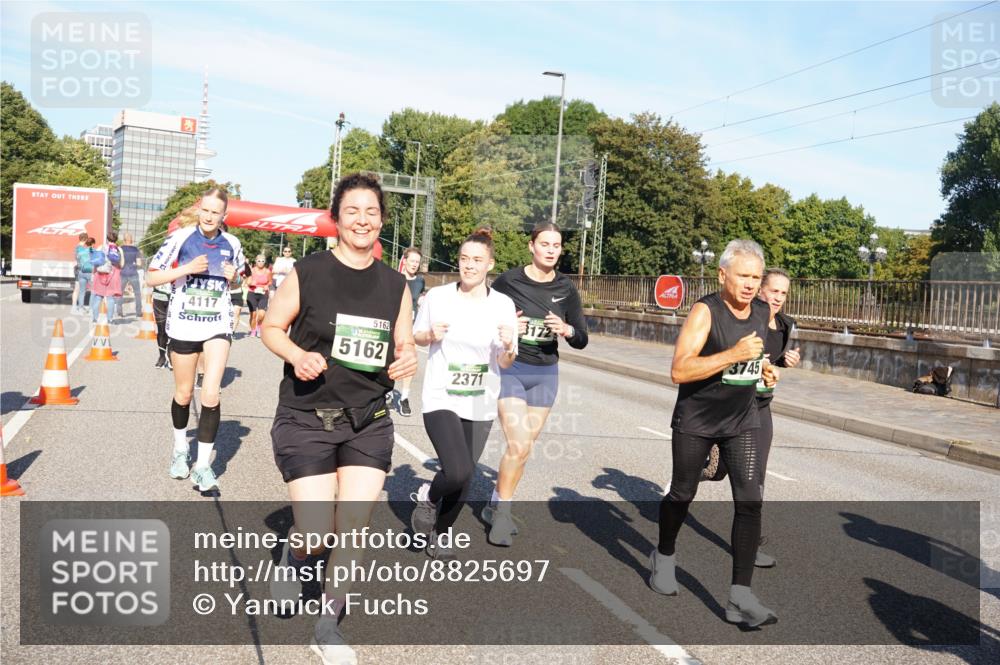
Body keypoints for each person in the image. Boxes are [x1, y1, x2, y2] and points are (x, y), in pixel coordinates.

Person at [262, 172, 417, 664]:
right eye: (353, 210)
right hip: (307, 415)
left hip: (368, 420)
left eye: (372, 212)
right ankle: (295, 556)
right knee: (315, 533)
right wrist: (295, 355)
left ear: (382, 221)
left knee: (352, 527)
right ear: (337, 218)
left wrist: (407, 357)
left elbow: (404, 341)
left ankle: (327, 626)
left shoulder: (396, 285)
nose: (362, 220)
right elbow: (269, 327)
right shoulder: (308, 273)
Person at [650, 239, 780, 628]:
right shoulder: (705, 311)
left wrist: (763, 371)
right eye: (743, 276)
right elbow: (679, 370)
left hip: (742, 418)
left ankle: (740, 596)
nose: (750, 284)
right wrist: (732, 356)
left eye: (756, 277)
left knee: (750, 500)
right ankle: (665, 554)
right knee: (682, 493)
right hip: (697, 419)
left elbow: (754, 357)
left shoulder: (761, 310)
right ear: (722, 274)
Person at [410, 229, 518, 560]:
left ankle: (441, 533)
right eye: (464, 259)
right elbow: (416, 336)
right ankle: (429, 497)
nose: (468, 266)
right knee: (456, 470)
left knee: (466, 475)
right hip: (442, 395)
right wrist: (429, 334)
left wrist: (511, 346)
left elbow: (505, 360)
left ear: (490, 265)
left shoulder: (503, 304)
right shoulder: (438, 297)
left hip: (480, 399)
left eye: (476, 260)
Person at [484, 223, 589, 546]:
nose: (550, 250)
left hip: (545, 373)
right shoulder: (508, 281)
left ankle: (495, 501)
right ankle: (502, 514)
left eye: (556, 245)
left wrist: (567, 329)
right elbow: (484, 316)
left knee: (524, 448)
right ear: (531, 246)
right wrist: (506, 324)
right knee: (518, 444)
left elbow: (582, 339)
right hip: (511, 367)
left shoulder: (566, 288)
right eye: (544, 243)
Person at [146, 188, 244, 493]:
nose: (209, 216)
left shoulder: (233, 244)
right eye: (205, 210)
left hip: (217, 325)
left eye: (216, 212)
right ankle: (180, 449)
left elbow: (241, 280)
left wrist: (236, 278)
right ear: (199, 210)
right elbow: (151, 277)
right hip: (184, 325)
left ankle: (202, 466)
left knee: (211, 395)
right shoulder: (180, 238)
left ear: (224, 216)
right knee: (184, 393)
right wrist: (186, 269)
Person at [395, 247, 425, 416]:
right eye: (412, 261)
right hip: (394, 324)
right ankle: (387, 391)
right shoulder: (395, 278)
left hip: (411, 327)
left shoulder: (420, 281)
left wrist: (422, 301)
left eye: (417, 262)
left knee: (410, 361)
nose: (414, 264)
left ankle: (404, 397)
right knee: (391, 360)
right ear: (404, 261)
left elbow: (419, 298)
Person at [90, 230, 125, 323]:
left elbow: (95, 261)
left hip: (100, 273)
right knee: (110, 298)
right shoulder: (119, 249)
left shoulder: (101, 247)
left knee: (98, 296)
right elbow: (122, 264)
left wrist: (94, 273)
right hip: (113, 274)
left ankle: (95, 318)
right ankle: (110, 319)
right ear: (116, 239)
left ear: (107, 238)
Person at [119, 232, 144, 318]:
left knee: (120, 293)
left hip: (122, 273)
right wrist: (134, 265)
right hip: (133, 272)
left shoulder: (120, 249)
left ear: (124, 240)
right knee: (137, 293)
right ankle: (138, 312)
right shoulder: (136, 250)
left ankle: (119, 312)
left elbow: (118, 262)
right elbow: (139, 263)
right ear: (132, 240)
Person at [247, 255, 272, 338]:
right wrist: (251, 283)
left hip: (263, 293)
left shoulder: (268, 271)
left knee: (261, 314)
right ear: (256, 261)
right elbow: (247, 281)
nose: (260, 263)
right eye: (259, 261)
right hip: (252, 293)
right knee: (253, 315)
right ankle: (253, 330)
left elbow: (270, 282)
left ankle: (259, 327)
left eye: (262, 261)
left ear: (265, 262)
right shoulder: (251, 270)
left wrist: (267, 285)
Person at [72, 233, 94, 314]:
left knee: (81, 291)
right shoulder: (83, 248)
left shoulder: (76, 247)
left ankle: (79, 307)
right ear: (85, 239)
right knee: (91, 290)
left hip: (79, 270)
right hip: (86, 270)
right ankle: (90, 309)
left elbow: (76, 258)